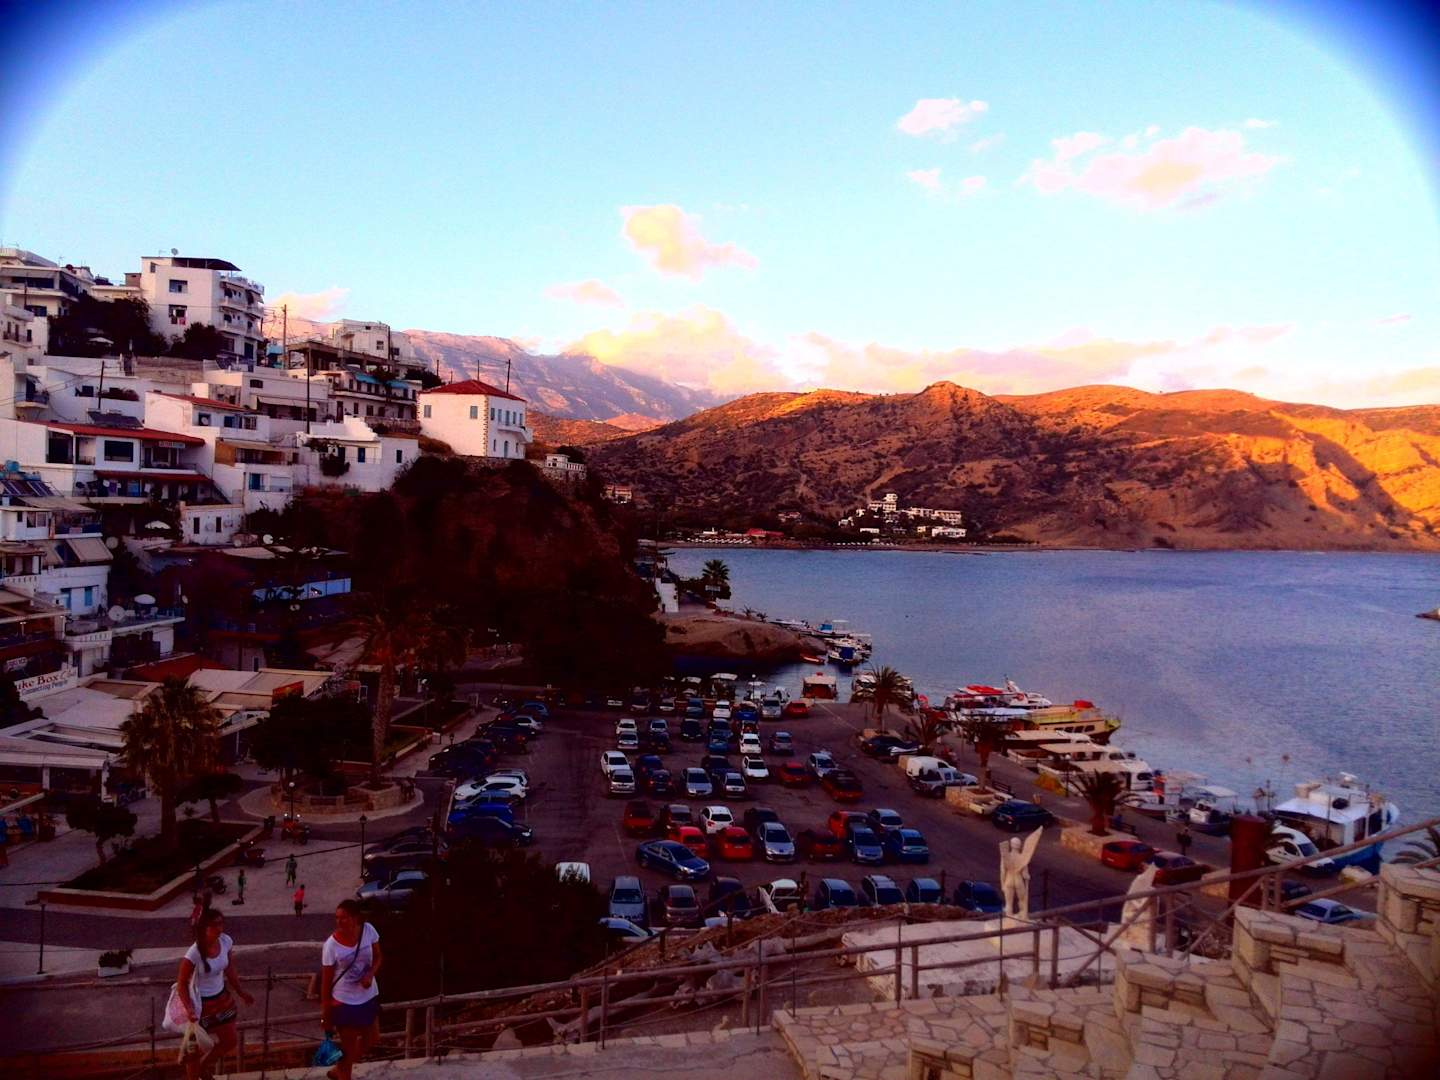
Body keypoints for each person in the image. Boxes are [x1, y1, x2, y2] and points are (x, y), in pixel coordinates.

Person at [176, 907, 253, 1080]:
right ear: (204, 928)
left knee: (230, 1041)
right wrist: (189, 1009)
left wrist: (241, 992)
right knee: (194, 1050)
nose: (219, 928)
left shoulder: (225, 941)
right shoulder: (194, 953)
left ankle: (204, 1067)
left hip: (221, 1001)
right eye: (214, 925)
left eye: (221, 923)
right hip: (200, 1006)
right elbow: (181, 983)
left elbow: (229, 968)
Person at [320, 899, 383, 1080]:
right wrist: (326, 1014)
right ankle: (343, 1073)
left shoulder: (368, 930)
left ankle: (339, 1068)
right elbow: (326, 982)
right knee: (348, 1046)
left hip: (368, 995)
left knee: (372, 1038)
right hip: (344, 1000)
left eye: (344, 917)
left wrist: (370, 974)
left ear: (355, 918)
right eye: (337, 918)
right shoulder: (331, 945)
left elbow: (378, 957)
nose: (339, 922)